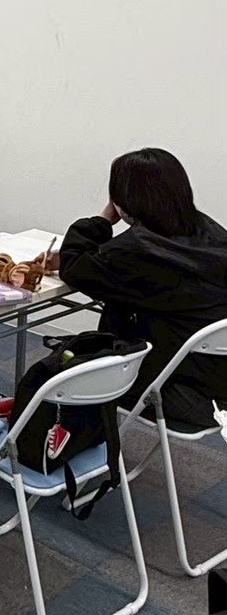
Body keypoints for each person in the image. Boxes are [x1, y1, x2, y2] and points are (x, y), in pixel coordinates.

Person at [59, 148, 227, 427]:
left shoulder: (136, 251)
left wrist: (102, 220)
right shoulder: (210, 231)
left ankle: (36, 428)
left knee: (68, 363)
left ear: (123, 200)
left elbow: (74, 267)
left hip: (177, 393)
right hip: (217, 385)